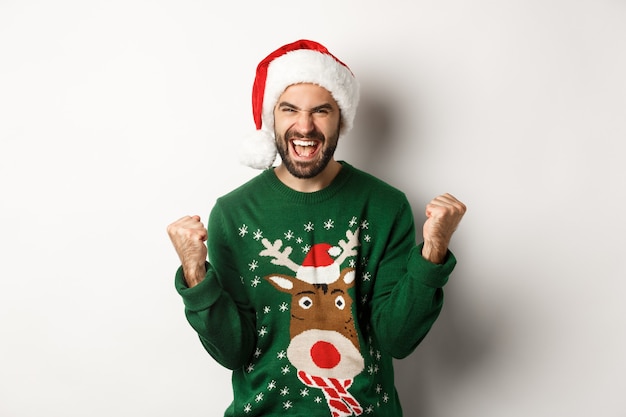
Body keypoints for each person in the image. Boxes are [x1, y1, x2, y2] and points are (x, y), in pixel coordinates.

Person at [167, 39, 466, 417]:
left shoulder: (385, 206)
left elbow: (398, 339)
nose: (304, 126)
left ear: (341, 117)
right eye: (289, 109)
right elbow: (232, 352)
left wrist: (433, 252)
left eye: (321, 110)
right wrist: (196, 275)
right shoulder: (233, 213)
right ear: (270, 118)